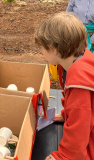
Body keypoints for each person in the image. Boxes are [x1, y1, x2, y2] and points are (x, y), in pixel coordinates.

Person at [35, 12, 94, 160]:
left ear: (54, 49)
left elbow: (79, 130)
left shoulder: (79, 83)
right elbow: (80, 108)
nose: (41, 52)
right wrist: (67, 113)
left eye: (42, 47)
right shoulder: (78, 62)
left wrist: (63, 156)